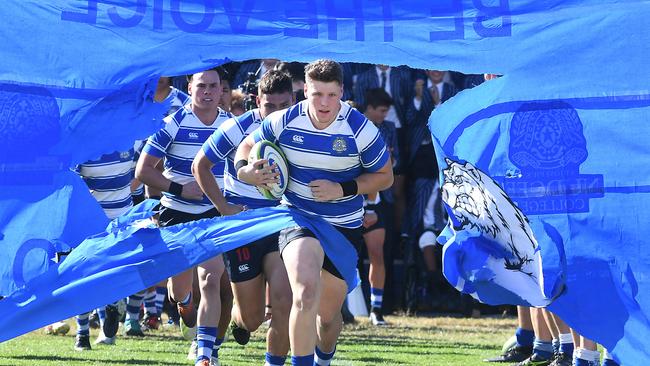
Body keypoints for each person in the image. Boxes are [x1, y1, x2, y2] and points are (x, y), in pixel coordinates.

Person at [235, 59, 393, 366]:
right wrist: (246, 172)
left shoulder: (359, 128)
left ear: (342, 92)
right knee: (305, 294)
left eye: (331, 95)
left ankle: (323, 359)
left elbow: (385, 176)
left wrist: (343, 189)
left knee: (327, 315)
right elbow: (247, 145)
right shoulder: (285, 120)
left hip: (343, 226)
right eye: (317, 94)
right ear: (305, 90)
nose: (324, 103)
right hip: (298, 217)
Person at [193, 69, 295, 366]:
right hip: (243, 227)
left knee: (284, 301)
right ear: (256, 101)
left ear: (294, 99)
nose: (276, 113)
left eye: (283, 105)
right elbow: (200, 166)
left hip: (282, 225)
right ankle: (239, 319)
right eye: (269, 106)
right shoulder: (238, 128)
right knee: (251, 319)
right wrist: (224, 208)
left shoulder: (301, 127)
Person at [136, 67, 233, 366]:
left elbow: (241, 167)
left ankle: (205, 352)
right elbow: (143, 172)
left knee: (210, 278)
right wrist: (180, 188)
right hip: (175, 212)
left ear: (221, 90)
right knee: (180, 291)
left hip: (211, 213)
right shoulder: (173, 123)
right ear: (189, 88)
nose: (207, 92)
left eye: (213, 86)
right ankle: (185, 306)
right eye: (201, 85)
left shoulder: (230, 125)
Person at [361, 88, 400, 325]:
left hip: (377, 199)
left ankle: (376, 309)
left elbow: (391, 164)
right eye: (382, 111)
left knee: (377, 254)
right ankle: (338, 306)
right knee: (343, 256)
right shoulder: (352, 127)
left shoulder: (388, 129)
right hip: (348, 200)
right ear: (370, 108)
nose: (384, 116)